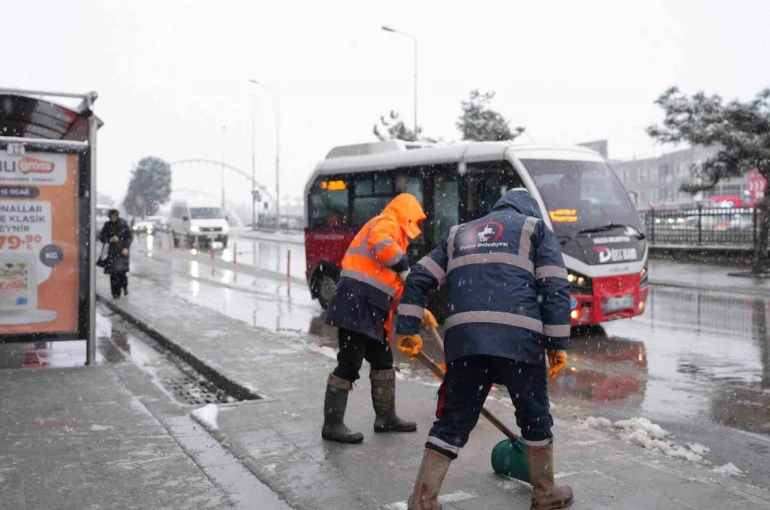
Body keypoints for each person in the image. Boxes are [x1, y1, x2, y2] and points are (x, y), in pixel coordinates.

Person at [395, 188, 573, 510]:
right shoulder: (534, 229)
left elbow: (419, 276)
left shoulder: (459, 233)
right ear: (528, 210)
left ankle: (423, 499)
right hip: (519, 341)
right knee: (534, 418)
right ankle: (545, 493)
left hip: (466, 342)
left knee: (452, 421)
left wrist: (407, 328)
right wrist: (557, 344)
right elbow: (555, 286)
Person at [322, 193, 436, 444]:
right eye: (413, 220)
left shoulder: (397, 238)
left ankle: (385, 418)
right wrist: (404, 267)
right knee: (350, 363)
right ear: (406, 214)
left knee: (383, 360)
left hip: (371, 307)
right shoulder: (387, 222)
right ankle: (331, 424)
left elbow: (392, 290)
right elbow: (380, 242)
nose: (414, 227)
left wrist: (418, 310)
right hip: (355, 301)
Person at [99, 209, 133, 298]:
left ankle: (124, 287)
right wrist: (110, 240)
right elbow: (102, 237)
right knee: (113, 274)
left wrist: (126, 247)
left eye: (114, 217)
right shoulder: (107, 225)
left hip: (122, 252)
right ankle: (115, 293)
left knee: (122, 273)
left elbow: (129, 237)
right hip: (112, 253)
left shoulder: (123, 224)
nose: (113, 219)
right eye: (111, 217)